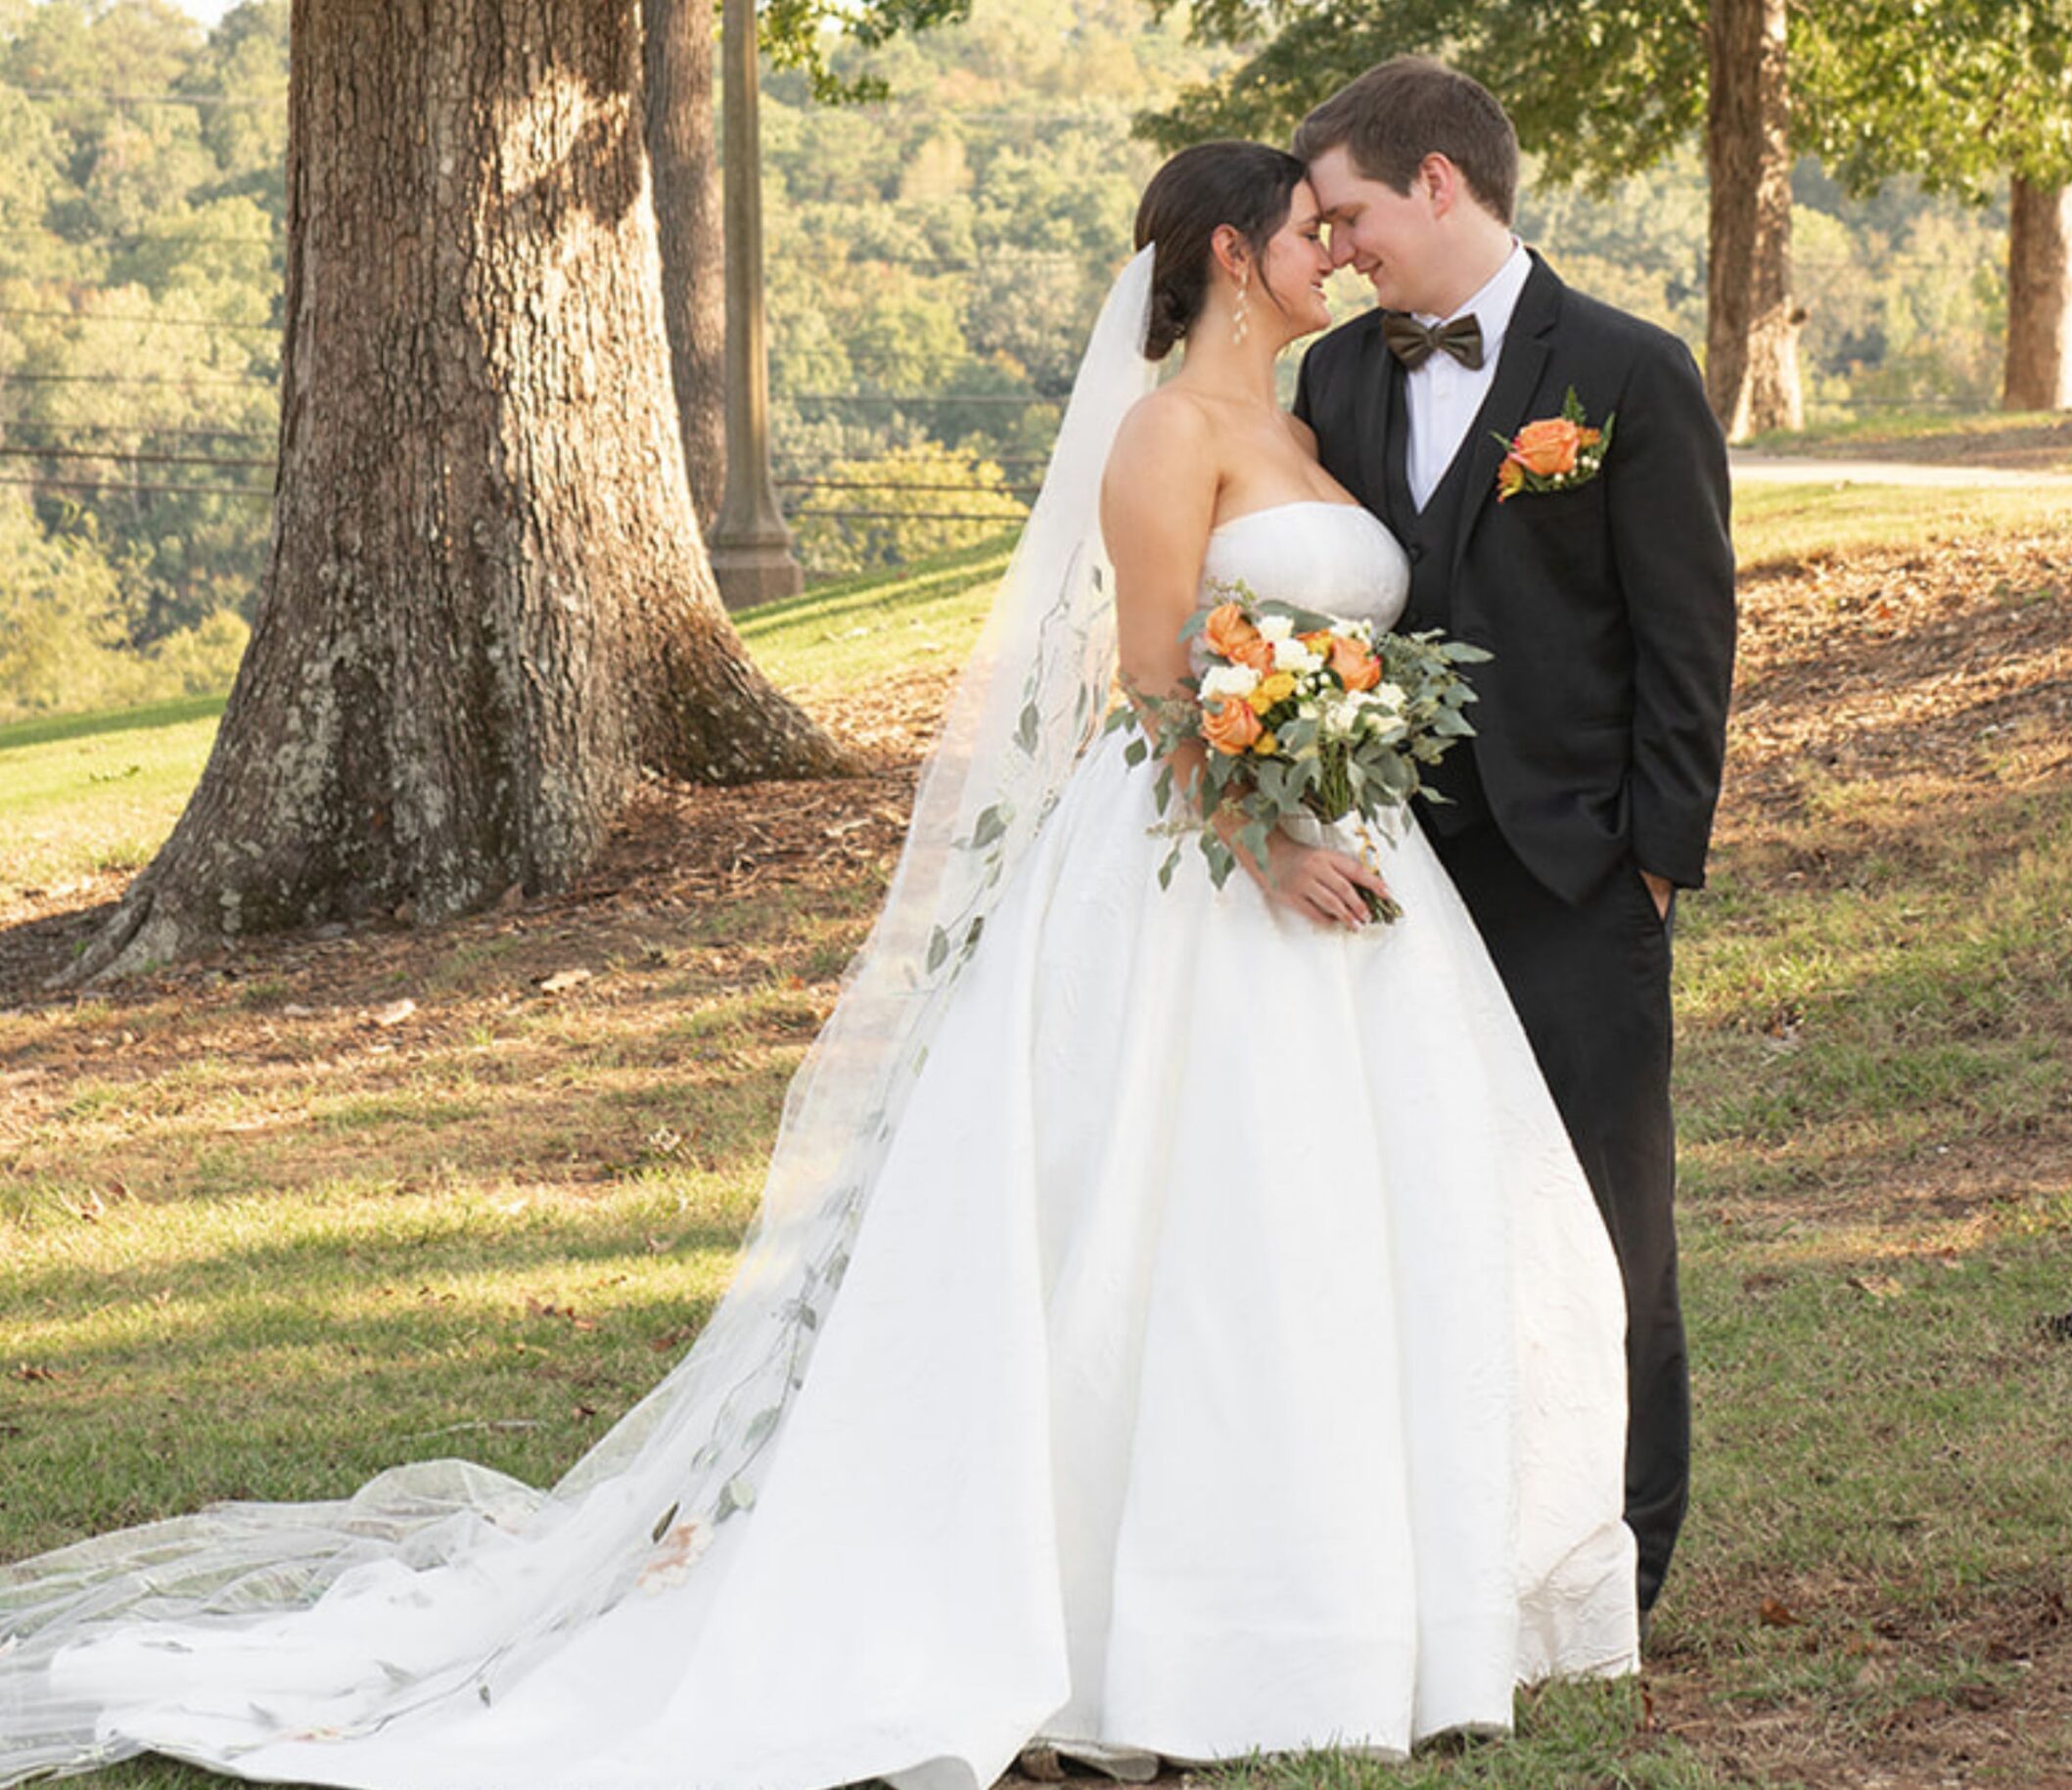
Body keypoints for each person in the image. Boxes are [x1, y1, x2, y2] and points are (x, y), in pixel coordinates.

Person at [0, 143, 1638, 1790]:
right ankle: (1128, 1632)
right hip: (1201, 881)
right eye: (1308, 232)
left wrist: (1328, 773)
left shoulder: (1310, 423)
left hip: (1350, 871)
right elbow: (1149, 688)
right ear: (1232, 249)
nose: (1338, 260)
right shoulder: (1164, 435)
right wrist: (1265, 834)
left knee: (1322, 1238)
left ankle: (1349, 1608)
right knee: (1173, 1244)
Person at [1290, 58, 1739, 1621]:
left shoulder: (1626, 371)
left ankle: (1629, 1555)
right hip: (1388, 876)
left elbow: (1689, 639)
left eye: (1348, 214)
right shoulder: (1336, 384)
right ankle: (1454, 1540)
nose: (1336, 250)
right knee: (1421, 1212)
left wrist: (1654, 860)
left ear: (1436, 183)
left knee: (1611, 1222)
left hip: (1574, 873)